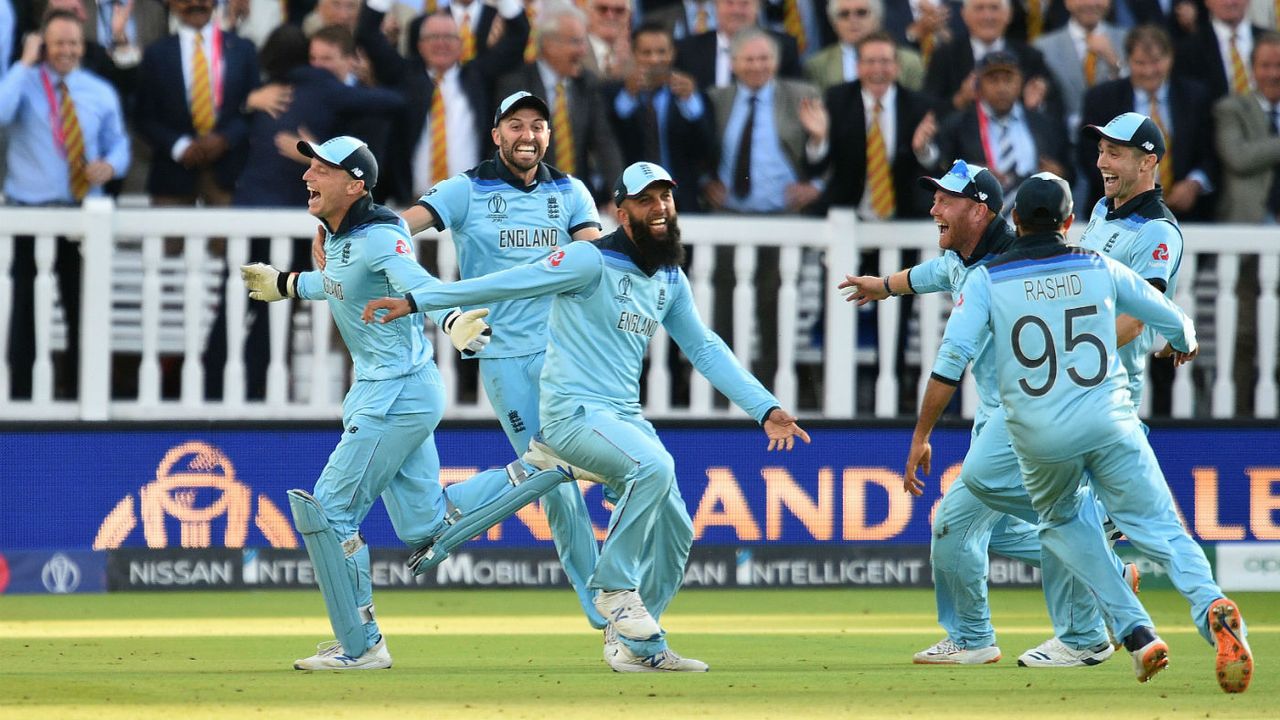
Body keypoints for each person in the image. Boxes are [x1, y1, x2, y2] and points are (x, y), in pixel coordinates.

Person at [362, 161, 812, 672]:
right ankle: (614, 588)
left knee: (678, 529)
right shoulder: (588, 259)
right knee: (653, 467)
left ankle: (636, 647)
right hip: (570, 415)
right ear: (621, 212)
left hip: (622, 417)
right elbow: (510, 282)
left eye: (666, 197)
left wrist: (766, 408)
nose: (660, 208)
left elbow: (705, 348)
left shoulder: (669, 276)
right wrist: (420, 300)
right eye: (646, 200)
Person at [906, 170, 1253, 692]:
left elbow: (948, 365)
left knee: (1064, 524)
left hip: (1041, 433)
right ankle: (1210, 607)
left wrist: (919, 436)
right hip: (1111, 419)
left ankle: (1135, 632)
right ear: (1070, 222)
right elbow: (1168, 314)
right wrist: (1184, 339)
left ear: (1014, 220)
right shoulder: (1097, 263)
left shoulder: (987, 279)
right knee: (1163, 530)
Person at [240, 135, 572, 671]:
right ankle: (547, 464)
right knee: (425, 527)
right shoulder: (338, 232)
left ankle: (361, 644)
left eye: (321, 170)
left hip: (396, 392)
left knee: (330, 510)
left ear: (355, 184)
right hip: (391, 389)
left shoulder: (382, 234)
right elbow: (342, 284)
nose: (308, 177)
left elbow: (413, 281)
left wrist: (451, 320)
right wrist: (287, 283)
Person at [315, 90, 610, 636]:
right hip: (505, 356)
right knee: (559, 487)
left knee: (622, 468)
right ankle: (606, 608)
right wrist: (338, 238)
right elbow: (392, 230)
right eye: (516, 125)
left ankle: (630, 593)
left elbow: (596, 259)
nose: (528, 135)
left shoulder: (571, 192)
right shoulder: (465, 189)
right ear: (496, 133)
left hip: (570, 354)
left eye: (538, 126)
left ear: (549, 135)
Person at [839, 161, 1126, 668]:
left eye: (945, 201)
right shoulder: (963, 255)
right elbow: (932, 274)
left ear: (979, 209)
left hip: (1025, 419)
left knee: (954, 521)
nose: (934, 210)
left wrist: (920, 436)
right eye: (934, 200)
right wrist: (884, 285)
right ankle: (1100, 563)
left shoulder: (1008, 269)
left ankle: (975, 637)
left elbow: (950, 363)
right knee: (990, 530)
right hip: (996, 418)